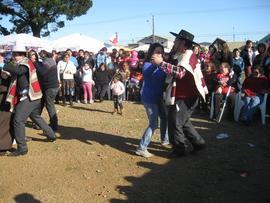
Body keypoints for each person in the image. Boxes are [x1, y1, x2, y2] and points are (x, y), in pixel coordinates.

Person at [151, 29, 208, 157]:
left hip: (186, 96)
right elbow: (172, 63)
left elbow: (180, 73)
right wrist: (163, 59)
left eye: (176, 40)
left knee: (175, 122)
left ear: (182, 42)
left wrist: (161, 63)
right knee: (183, 122)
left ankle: (179, 149)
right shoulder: (180, 54)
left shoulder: (187, 55)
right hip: (183, 95)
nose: (174, 42)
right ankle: (198, 143)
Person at [3, 45, 56, 156]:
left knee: (18, 120)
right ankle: (51, 134)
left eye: (15, 55)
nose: (13, 56)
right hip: (33, 96)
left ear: (21, 55)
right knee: (35, 116)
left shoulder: (26, 63)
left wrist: (5, 64)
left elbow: (18, 71)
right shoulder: (21, 63)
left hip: (30, 96)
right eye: (13, 54)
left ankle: (22, 148)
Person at [135, 43, 169, 158]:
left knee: (165, 117)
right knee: (154, 124)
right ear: (151, 53)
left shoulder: (163, 65)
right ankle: (141, 148)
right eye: (156, 52)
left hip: (158, 97)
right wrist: (156, 64)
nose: (159, 54)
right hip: (149, 98)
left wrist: (162, 63)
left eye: (161, 52)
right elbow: (146, 73)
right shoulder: (148, 64)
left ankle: (165, 140)